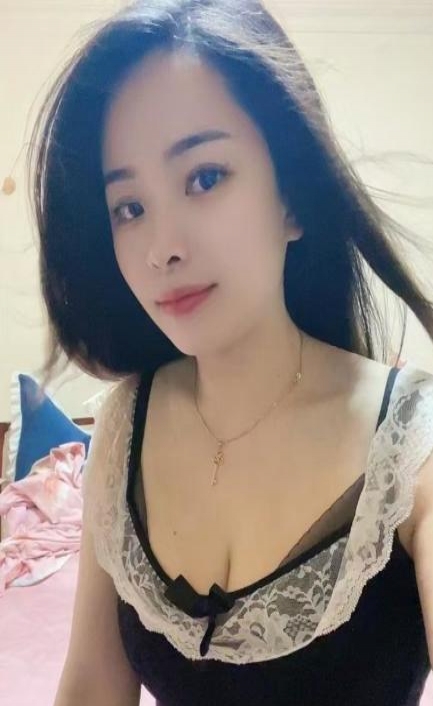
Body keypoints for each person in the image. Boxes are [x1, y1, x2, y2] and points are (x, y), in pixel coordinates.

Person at [27, 1, 433, 704]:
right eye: (129, 207)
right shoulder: (124, 426)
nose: (162, 248)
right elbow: (92, 685)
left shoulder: (411, 451)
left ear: (292, 198)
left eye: (205, 177)